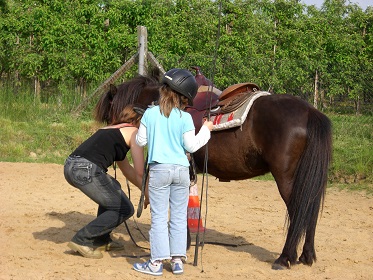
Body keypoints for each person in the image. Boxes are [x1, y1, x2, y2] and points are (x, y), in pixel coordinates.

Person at [133, 68, 214, 275]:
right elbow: (192, 145)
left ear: (164, 90)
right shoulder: (185, 118)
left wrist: (152, 133)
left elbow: (141, 141)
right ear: (184, 97)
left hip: (160, 170)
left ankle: (156, 263)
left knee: (159, 217)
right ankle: (177, 261)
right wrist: (206, 129)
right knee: (178, 215)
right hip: (181, 171)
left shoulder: (150, 113)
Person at [64, 104, 145, 259]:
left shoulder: (112, 131)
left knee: (114, 188)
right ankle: (83, 239)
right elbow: (139, 172)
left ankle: (101, 239)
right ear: (139, 121)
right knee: (123, 209)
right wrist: (149, 194)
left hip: (71, 166)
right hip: (85, 168)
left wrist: (145, 191)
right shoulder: (134, 132)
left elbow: (128, 170)